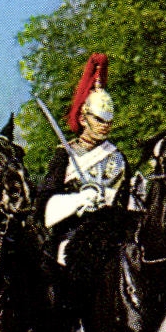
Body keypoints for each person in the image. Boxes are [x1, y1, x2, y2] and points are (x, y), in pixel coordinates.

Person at [36, 52, 127, 265]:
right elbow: (44, 202)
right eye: (99, 119)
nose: (105, 125)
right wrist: (77, 200)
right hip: (73, 232)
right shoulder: (65, 154)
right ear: (83, 119)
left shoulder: (117, 156)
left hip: (112, 235)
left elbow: (127, 200)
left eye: (109, 121)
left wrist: (112, 197)